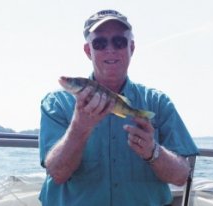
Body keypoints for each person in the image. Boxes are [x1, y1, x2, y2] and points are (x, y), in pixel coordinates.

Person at [39, 9, 199, 206]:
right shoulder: (57, 104)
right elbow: (57, 173)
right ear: (88, 51)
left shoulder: (158, 103)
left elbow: (181, 176)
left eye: (119, 42)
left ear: (131, 47)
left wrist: (153, 152)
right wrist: (79, 127)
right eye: (99, 43)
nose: (110, 49)